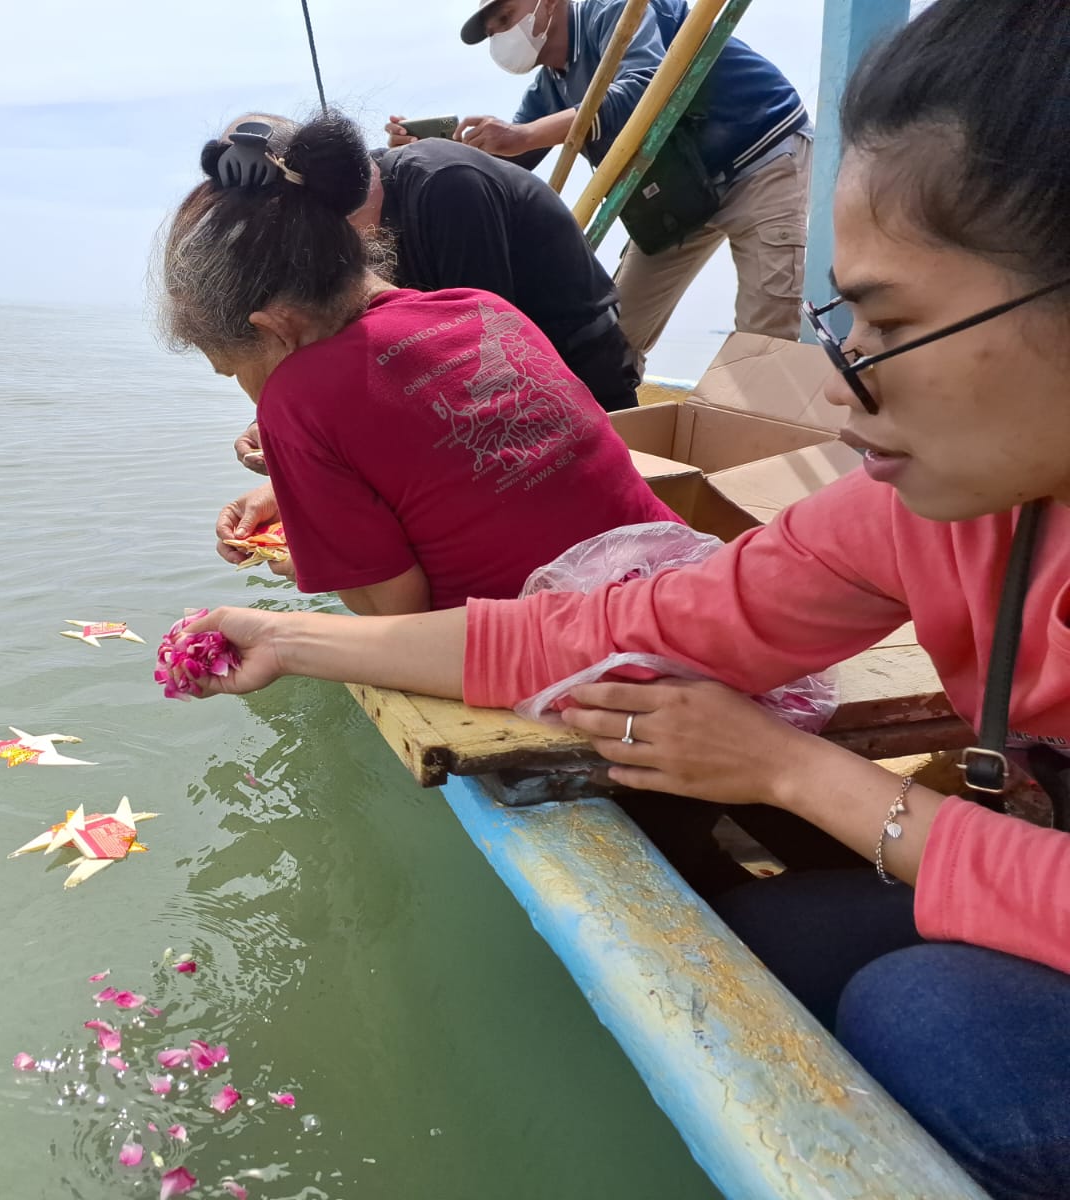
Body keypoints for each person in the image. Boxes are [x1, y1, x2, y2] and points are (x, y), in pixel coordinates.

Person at [184, 2, 1070, 1193]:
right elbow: (614, 620)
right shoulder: (919, 512)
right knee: (759, 948)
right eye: (840, 321)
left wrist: (790, 770)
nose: (842, 389)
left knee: (932, 1021)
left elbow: (399, 573)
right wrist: (287, 637)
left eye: (891, 323)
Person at [159, 111, 678, 616]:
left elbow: (397, 610)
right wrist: (300, 499)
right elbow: (449, 470)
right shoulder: (482, 307)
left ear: (274, 328)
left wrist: (313, 558)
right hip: (677, 582)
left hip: (579, 644)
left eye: (237, 373)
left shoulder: (295, 401)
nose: (253, 396)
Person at [392, 0, 811, 372]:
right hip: (680, 196)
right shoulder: (549, 87)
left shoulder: (618, 11)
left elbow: (645, 86)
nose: (501, 35)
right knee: (615, 333)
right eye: (492, 31)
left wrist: (526, 134)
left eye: (506, 17)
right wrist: (431, 151)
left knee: (764, 338)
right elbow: (512, 159)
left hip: (759, 154)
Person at [225, 115, 638, 492]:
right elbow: (352, 352)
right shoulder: (347, 235)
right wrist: (282, 427)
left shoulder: (448, 185)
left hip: (580, 379)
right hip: (491, 399)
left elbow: (478, 361)